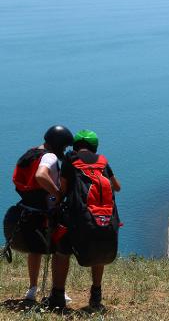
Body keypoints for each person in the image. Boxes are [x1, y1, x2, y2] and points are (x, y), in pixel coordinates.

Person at [47, 130, 121, 310]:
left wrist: (54, 199)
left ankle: (58, 298)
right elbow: (117, 187)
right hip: (103, 218)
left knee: (61, 253)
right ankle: (95, 297)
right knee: (99, 251)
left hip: (76, 218)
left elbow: (63, 190)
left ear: (75, 146)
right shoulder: (103, 161)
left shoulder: (70, 161)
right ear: (95, 147)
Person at [7, 125, 73, 303]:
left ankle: (32, 289)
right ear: (58, 144)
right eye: (64, 146)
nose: (65, 150)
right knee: (57, 250)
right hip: (47, 210)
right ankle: (57, 291)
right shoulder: (49, 156)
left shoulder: (30, 153)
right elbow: (41, 175)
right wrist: (57, 193)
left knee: (35, 250)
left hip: (29, 208)